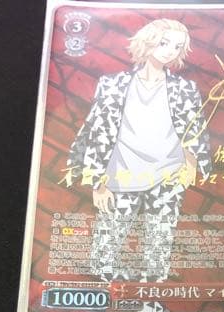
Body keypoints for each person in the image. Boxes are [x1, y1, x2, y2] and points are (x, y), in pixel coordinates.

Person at [68, 19, 211, 282]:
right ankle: (104, 292)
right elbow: (98, 132)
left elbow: (194, 131)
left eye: (177, 47)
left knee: (159, 245)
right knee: (106, 246)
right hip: (121, 175)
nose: (169, 51)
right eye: (164, 42)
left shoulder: (186, 88)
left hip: (168, 177)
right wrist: (98, 183)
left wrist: (190, 164)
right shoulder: (112, 84)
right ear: (147, 41)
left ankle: (151, 294)